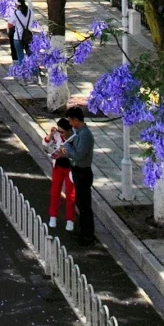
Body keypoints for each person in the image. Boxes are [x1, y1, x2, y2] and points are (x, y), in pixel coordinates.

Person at [60, 105, 96, 245]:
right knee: (80, 203)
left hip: (83, 172)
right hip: (77, 170)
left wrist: (66, 147)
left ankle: (88, 235)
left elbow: (79, 155)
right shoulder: (78, 132)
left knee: (85, 205)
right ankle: (82, 231)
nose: (69, 123)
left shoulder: (85, 135)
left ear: (76, 120)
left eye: (70, 120)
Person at [43, 119, 76, 232]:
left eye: (62, 132)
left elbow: (77, 155)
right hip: (58, 167)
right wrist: (51, 134)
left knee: (70, 195)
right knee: (55, 191)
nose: (60, 133)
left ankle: (70, 219)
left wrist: (65, 155)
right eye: (58, 130)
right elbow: (45, 143)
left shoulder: (74, 138)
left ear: (69, 130)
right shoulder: (57, 136)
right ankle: (53, 216)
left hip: (70, 168)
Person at [5, 0, 37, 76]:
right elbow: (34, 22)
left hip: (18, 38)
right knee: (31, 54)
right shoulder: (30, 12)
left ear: (17, 5)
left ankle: (22, 71)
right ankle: (35, 71)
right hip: (29, 37)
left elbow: (9, 25)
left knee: (20, 55)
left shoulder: (16, 14)